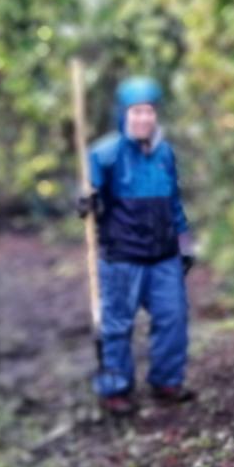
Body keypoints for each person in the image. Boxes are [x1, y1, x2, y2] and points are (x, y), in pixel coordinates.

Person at [78, 76, 197, 416]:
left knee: (173, 318)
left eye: (149, 112)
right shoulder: (104, 154)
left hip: (163, 255)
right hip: (121, 255)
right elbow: (90, 195)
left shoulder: (164, 153)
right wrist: (87, 202)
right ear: (123, 113)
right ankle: (115, 388)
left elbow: (174, 202)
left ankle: (166, 382)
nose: (143, 119)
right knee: (116, 324)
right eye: (136, 112)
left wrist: (183, 242)